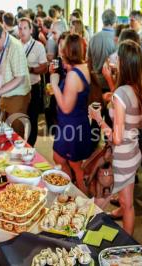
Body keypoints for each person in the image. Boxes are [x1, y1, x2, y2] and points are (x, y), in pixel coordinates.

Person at [89, 40, 142, 236]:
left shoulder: (121, 94)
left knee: (98, 204)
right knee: (127, 204)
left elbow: (117, 138)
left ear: (124, 62)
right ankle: (127, 249)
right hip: (133, 153)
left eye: (117, 57)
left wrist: (98, 119)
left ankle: (84, 243)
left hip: (120, 158)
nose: (114, 60)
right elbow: (138, 123)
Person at [49, 34, 93, 194]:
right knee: (60, 158)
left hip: (72, 126)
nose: (60, 51)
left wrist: (54, 83)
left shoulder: (74, 75)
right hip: (73, 123)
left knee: (75, 166)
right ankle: (73, 191)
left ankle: (83, 200)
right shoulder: (82, 67)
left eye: (63, 48)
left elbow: (66, 107)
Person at [0, 21, 31, 138]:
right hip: (3, 93)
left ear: (3, 34)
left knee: (15, 132)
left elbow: (19, 78)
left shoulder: (15, 47)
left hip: (18, 94)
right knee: (2, 128)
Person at [18, 18, 48, 146]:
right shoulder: (15, 45)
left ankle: (30, 146)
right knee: (19, 118)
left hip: (33, 87)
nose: (22, 31)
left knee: (32, 117)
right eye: (20, 28)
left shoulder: (38, 46)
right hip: (18, 88)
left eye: (25, 28)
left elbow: (44, 67)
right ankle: (19, 144)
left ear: (31, 30)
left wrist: (30, 68)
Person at [87, 9, 117, 90]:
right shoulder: (117, 39)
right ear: (114, 22)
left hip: (95, 81)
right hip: (111, 82)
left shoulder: (93, 38)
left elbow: (89, 61)